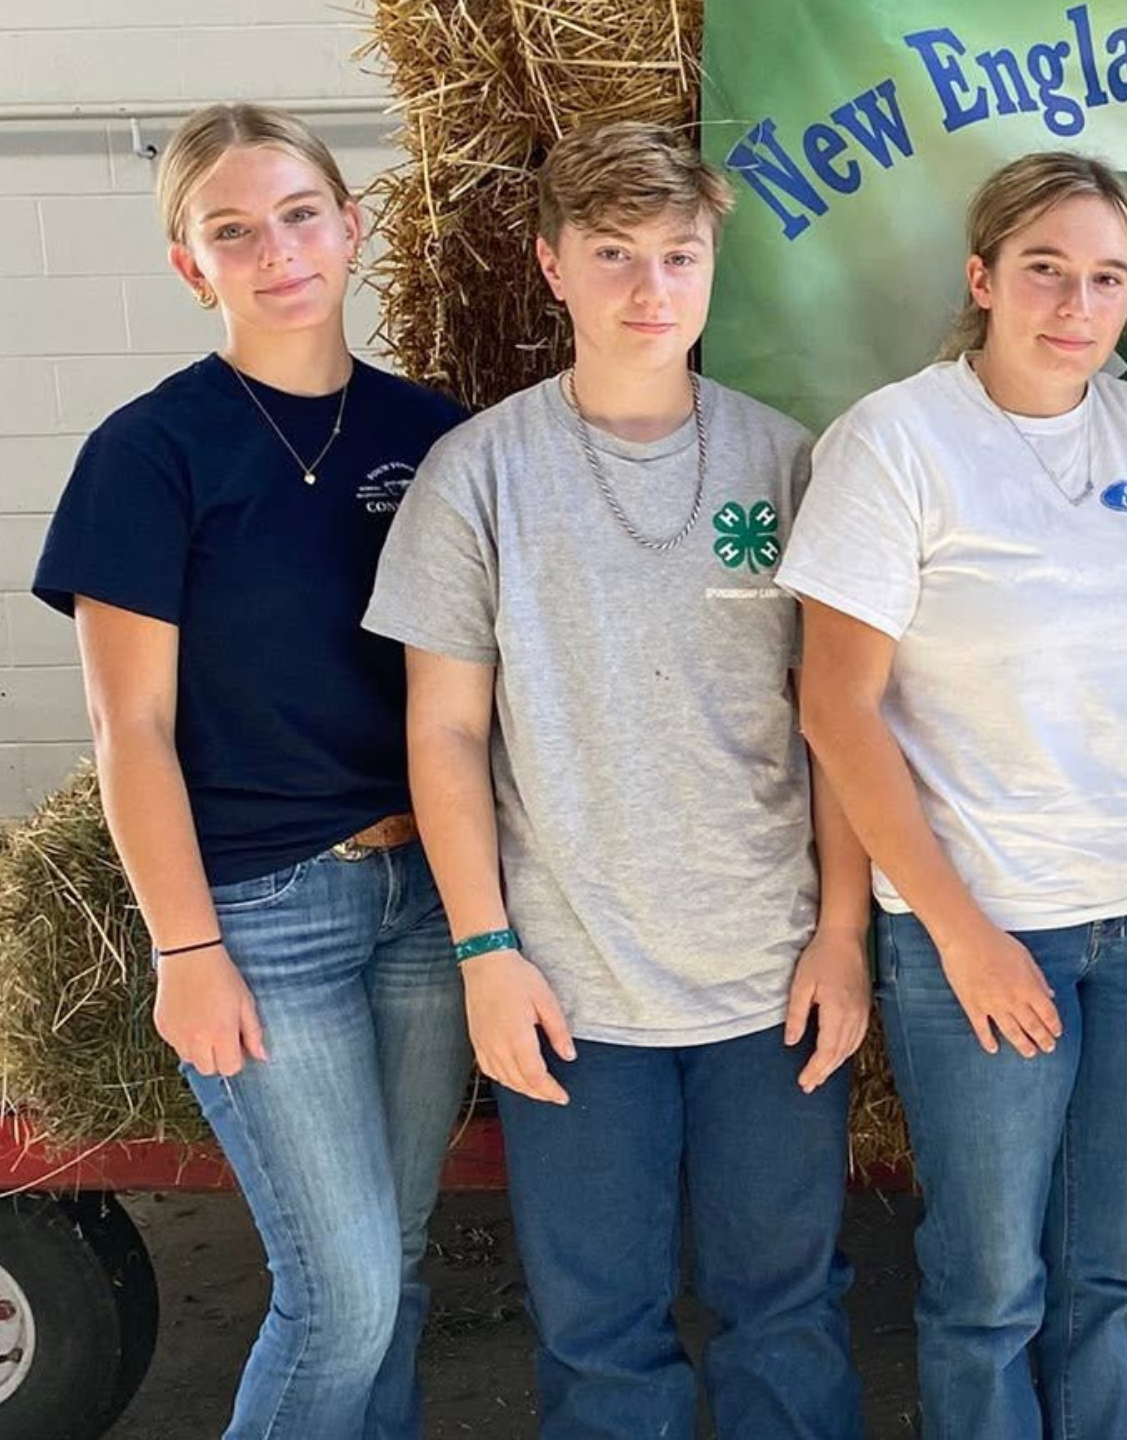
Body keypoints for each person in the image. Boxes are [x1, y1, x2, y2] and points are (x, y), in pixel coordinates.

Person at [364, 121, 866, 1438]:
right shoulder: (478, 475)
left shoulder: (792, 462)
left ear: (713, 269)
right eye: (613, 255)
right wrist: (486, 951)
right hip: (573, 992)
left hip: (771, 981)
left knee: (788, 1314)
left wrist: (846, 935)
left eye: (679, 256)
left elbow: (845, 728)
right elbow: (445, 736)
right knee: (601, 1342)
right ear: (551, 268)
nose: (651, 290)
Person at [778, 150, 1127, 1440]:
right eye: (1046, 269)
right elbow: (836, 706)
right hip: (983, 924)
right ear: (985, 277)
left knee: (1118, 1275)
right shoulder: (894, 442)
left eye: (1107, 278)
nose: (1075, 303)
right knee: (990, 1287)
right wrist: (959, 932)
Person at [29, 103, 471, 1439]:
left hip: (430, 901)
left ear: (348, 228)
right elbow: (132, 733)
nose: (276, 251)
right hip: (267, 913)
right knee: (336, 1298)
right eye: (233, 230)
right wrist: (184, 949)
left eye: (297, 215)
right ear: (190, 266)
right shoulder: (151, 456)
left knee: (390, 1269)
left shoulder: (434, 434)